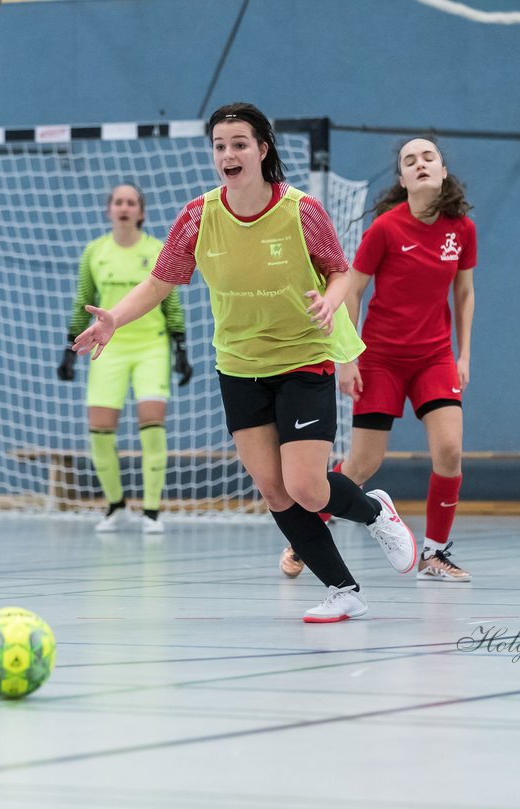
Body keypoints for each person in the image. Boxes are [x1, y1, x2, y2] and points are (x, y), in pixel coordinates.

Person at [73, 103, 417, 623]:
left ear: (262, 150)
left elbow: (340, 272)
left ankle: (375, 511)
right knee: (274, 490)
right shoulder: (197, 216)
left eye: (239, 143)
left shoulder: (301, 210)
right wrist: (114, 319)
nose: (228, 154)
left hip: (303, 357)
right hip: (238, 366)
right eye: (220, 145)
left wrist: (330, 299)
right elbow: (160, 281)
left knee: (306, 485)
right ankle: (344, 590)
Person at [278, 137, 475, 582]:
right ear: (402, 180)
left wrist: (464, 353)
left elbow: (464, 292)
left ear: (443, 172)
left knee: (450, 450)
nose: (420, 164)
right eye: (410, 160)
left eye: (429, 158)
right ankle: (304, 537)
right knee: (362, 465)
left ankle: (436, 554)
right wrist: (348, 359)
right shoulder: (385, 228)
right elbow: (351, 290)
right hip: (381, 359)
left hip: (435, 358)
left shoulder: (461, 230)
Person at [58, 184, 191, 534]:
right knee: (100, 429)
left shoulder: (157, 249)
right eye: (118, 201)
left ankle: (151, 512)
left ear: (141, 212)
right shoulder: (94, 252)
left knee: (151, 424)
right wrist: (68, 347)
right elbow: (83, 299)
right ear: (109, 210)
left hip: (151, 346)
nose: (124, 207)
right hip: (109, 347)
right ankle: (115, 506)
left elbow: (170, 301)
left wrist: (180, 346)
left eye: (131, 202)